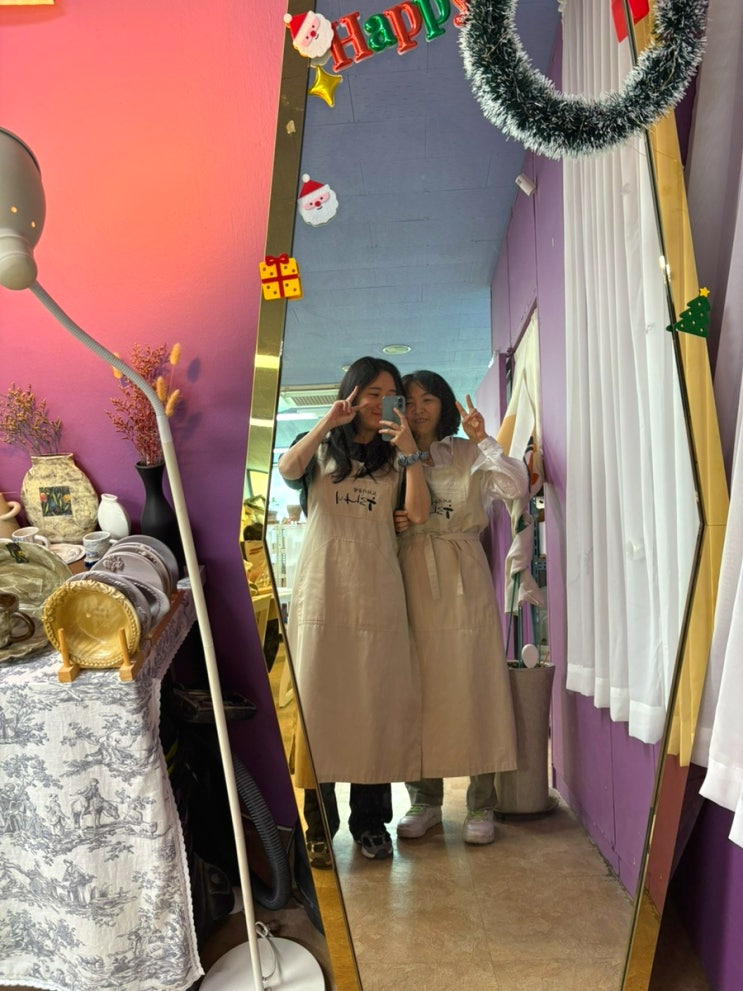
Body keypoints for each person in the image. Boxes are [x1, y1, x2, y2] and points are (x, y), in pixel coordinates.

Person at [278, 356, 430, 862]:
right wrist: (328, 420)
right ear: (353, 394)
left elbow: (418, 513)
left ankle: (371, 822)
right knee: (318, 706)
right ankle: (320, 824)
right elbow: (287, 469)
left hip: (377, 594)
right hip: (323, 592)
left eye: (389, 394)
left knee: (372, 707)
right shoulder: (320, 447)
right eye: (372, 393)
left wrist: (408, 452)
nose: (380, 403)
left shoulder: (395, 456)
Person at [394, 370, 529, 845]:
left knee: (476, 683)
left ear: (444, 404)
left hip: (464, 576)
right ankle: (424, 799)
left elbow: (516, 489)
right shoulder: (392, 456)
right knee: (420, 687)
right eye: (409, 401)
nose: (418, 410)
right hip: (411, 574)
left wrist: (484, 440)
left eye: (428, 400)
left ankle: (481, 802)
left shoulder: (468, 452)